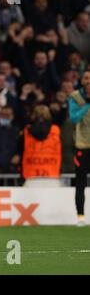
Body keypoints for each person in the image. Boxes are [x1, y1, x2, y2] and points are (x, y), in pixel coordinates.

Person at [20, 105, 62, 187]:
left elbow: (20, 149)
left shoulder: (27, 131)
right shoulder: (56, 130)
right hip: (52, 175)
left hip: (31, 176)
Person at [68, 70, 90, 226]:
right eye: (87, 78)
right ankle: (81, 217)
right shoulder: (75, 96)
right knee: (81, 182)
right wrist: (88, 105)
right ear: (82, 80)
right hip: (83, 144)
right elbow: (74, 118)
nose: (89, 81)